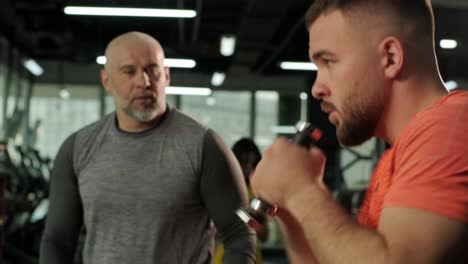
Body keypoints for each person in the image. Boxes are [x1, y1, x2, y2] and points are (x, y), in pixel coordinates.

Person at [250, 1, 468, 263]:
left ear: (391, 58)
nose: (317, 89)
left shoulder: (451, 126)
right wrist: (289, 207)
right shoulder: (398, 155)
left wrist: (300, 191)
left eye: (328, 62)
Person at [40, 31, 256, 264]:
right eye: (129, 71)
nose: (143, 82)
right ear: (106, 80)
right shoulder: (77, 149)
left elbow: (240, 235)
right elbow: (57, 241)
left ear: (166, 75)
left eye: (152, 70)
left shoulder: (204, 146)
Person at [213, 138, 267, 264]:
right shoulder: (224, 189)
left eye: (252, 164)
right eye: (244, 163)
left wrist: (240, 214)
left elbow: (264, 235)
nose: (248, 169)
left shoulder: (257, 191)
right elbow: (215, 231)